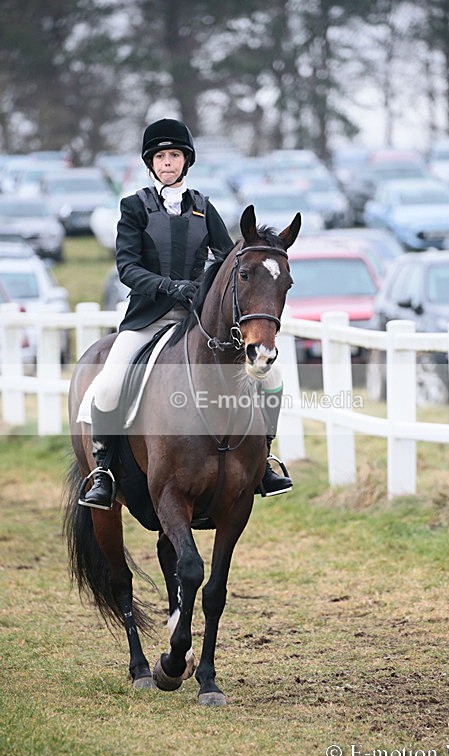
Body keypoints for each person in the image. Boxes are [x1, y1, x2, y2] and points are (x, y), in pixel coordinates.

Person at [79, 118, 293, 510]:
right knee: (109, 383)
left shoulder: (203, 207)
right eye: (160, 156)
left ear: (185, 161)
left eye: (174, 155)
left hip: (198, 322)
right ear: (151, 163)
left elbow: (228, 260)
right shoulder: (133, 208)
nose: (167, 162)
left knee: (271, 376)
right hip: (148, 320)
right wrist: (168, 286)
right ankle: (105, 472)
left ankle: (264, 462)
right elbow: (127, 267)